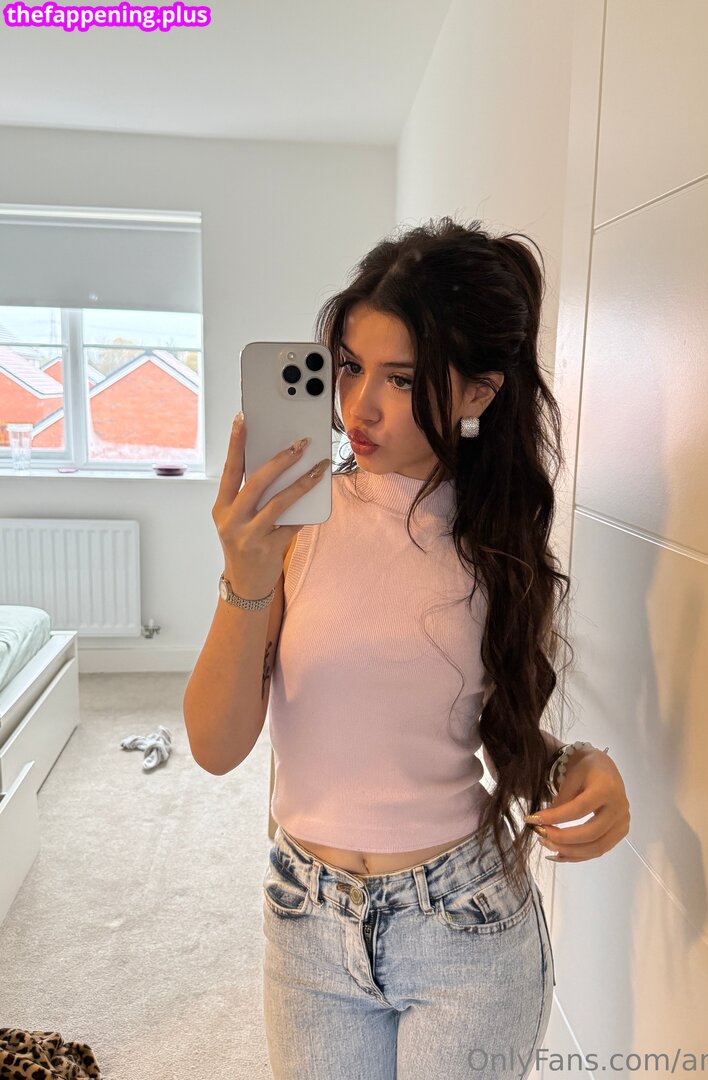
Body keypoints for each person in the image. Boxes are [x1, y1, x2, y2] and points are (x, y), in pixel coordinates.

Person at [189, 216, 630, 1078]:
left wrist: (570, 766)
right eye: (350, 366)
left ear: (478, 394)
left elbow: (493, 729)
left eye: (401, 378)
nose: (359, 407)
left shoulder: (498, 545)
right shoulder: (297, 525)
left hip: (465, 922)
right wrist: (246, 574)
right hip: (307, 920)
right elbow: (214, 745)